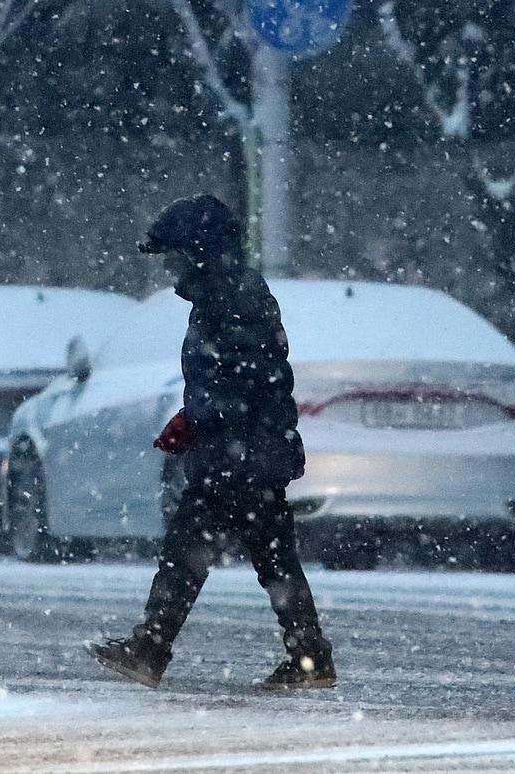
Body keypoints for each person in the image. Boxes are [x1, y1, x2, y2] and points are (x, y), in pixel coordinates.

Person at [88, 194, 336, 691]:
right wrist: (194, 417)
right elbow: (244, 379)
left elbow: (248, 379)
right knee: (271, 557)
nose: (171, 270)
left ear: (198, 252)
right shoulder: (228, 295)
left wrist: (201, 418)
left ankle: (151, 648)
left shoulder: (231, 299)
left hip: (238, 453)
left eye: (175, 257)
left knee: (189, 550)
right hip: (249, 450)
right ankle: (309, 656)